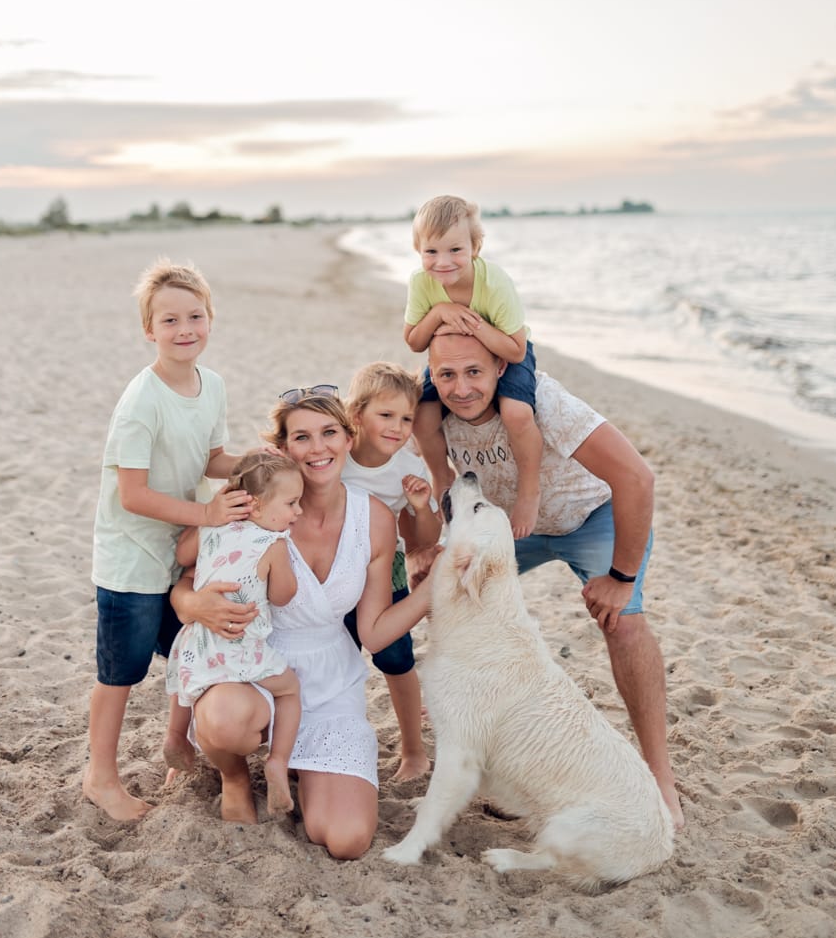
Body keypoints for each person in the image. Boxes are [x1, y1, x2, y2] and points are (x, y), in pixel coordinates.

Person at [425, 330, 684, 829]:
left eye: (474, 372)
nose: (460, 388)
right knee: (453, 612)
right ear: (432, 376)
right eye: (447, 375)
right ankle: (503, 766)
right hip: (509, 527)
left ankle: (659, 775)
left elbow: (637, 479)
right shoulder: (431, 410)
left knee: (623, 624)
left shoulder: (543, 401)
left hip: (589, 517)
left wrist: (622, 577)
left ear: (501, 369)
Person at [170, 386, 433, 858]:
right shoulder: (250, 505)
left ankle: (295, 766)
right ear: (283, 449)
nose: (318, 449)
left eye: (329, 433)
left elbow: (372, 633)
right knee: (227, 721)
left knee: (346, 839)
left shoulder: (372, 519)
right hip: (252, 667)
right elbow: (189, 573)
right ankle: (234, 777)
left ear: (348, 439)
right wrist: (190, 606)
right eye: (302, 438)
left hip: (331, 678)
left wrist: (436, 589)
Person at [83, 259, 247, 822]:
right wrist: (206, 511)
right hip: (131, 556)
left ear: (210, 320)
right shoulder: (141, 401)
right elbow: (132, 493)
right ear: (148, 331)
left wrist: (254, 461)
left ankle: (178, 745)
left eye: (195, 316)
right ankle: (100, 776)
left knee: (188, 651)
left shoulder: (213, 384)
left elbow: (210, 458)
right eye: (170, 320)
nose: (185, 329)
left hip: (182, 549)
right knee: (121, 672)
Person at [166, 452, 304, 816]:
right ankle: (277, 759)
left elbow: (182, 556)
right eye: (291, 503)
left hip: (201, 640)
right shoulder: (274, 544)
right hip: (242, 648)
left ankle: (175, 736)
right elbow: (282, 595)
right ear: (256, 505)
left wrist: (208, 517)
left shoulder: (211, 525)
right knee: (290, 690)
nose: (297, 512)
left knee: (187, 681)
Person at [403, 194, 544, 538]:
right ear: (418, 250)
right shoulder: (422, 283)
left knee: (516, 414)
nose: (443, 261)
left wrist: (475, 325)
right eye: (431, 252)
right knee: (422, 416)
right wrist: (439, 313)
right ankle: (442, 476)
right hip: (453, 361)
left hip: (504, 351)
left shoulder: (494, 282)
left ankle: (529, 490)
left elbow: (514, 348)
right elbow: (414, 341)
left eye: (455, 250)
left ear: (475, 247)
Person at [342, 362, 441, 780]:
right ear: (356, 414)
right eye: (386, 415)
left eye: (406, 419)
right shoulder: (335, 456)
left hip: (388, 570)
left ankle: (414, 751)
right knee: (338, 654)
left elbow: (425, 538)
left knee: (396, 658)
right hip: (332, 569)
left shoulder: (409, 469)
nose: (397, 427)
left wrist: (420, 508)